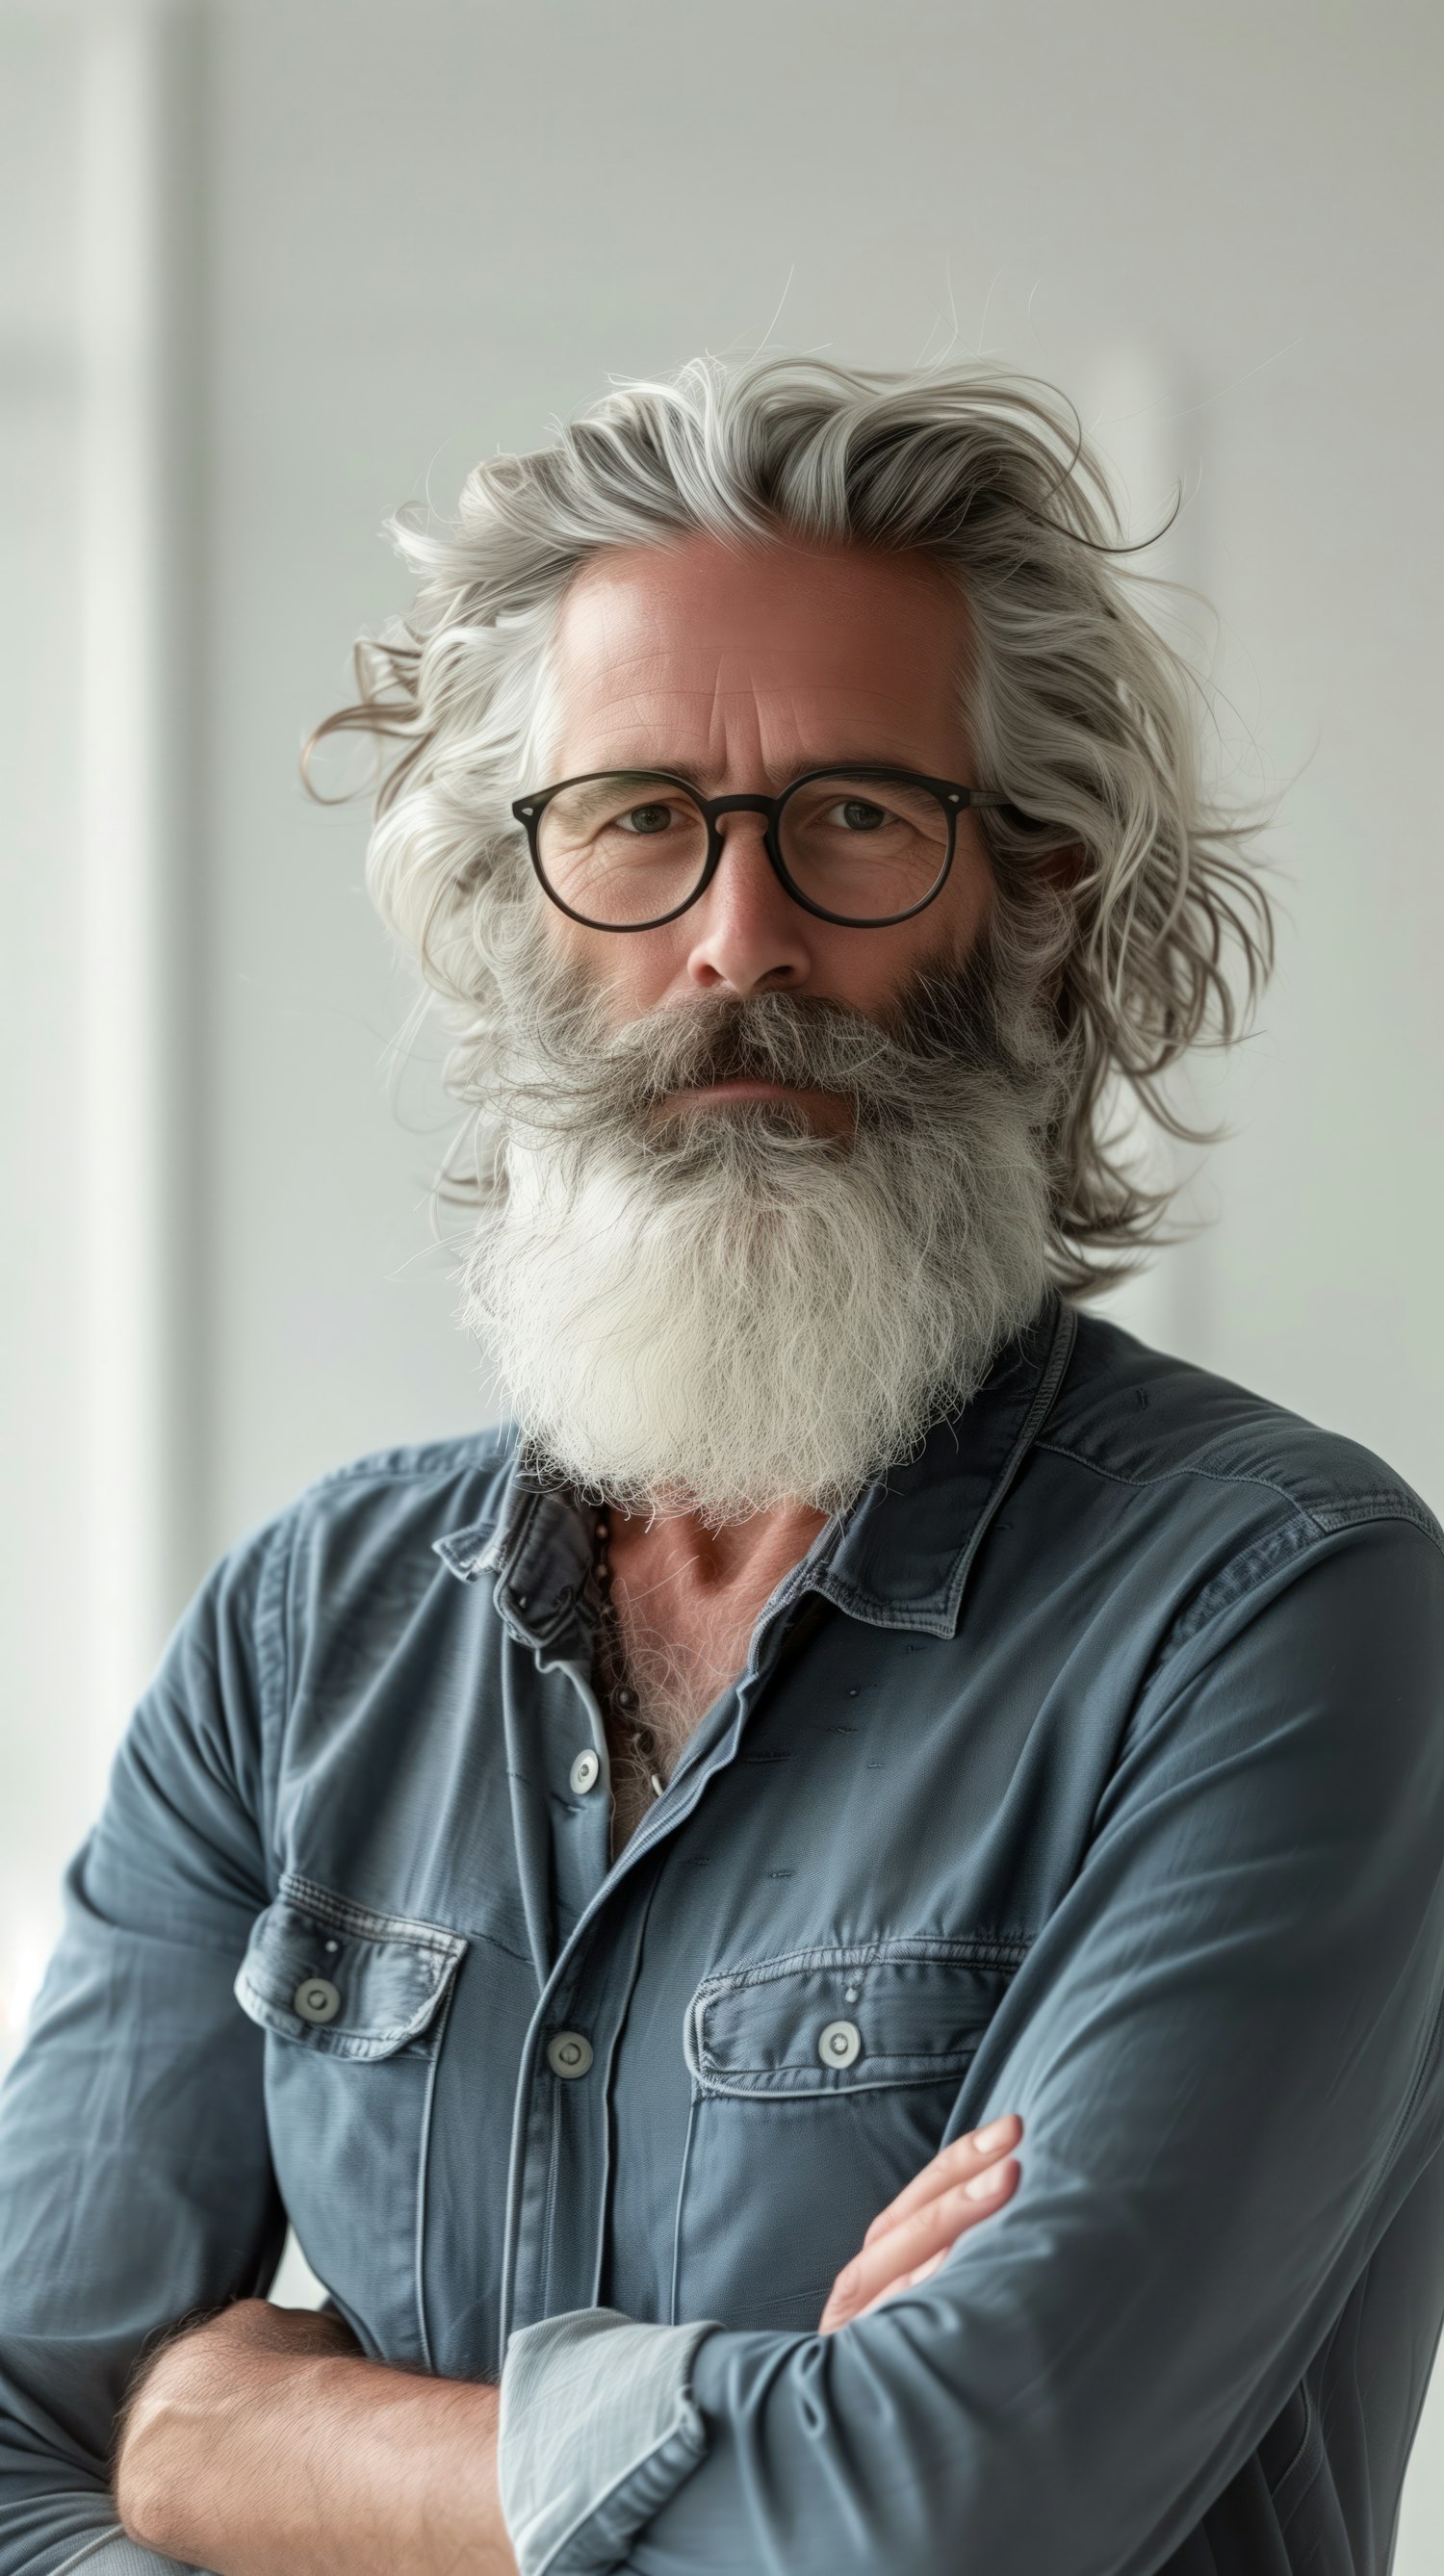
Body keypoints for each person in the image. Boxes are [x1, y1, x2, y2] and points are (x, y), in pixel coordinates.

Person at [1, 354, 1441, 2576]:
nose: (739, 940)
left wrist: (226, 2446)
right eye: (639, 817)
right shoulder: (308, 1636)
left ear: (1037, 901)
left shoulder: (1284, 1618)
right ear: (515, 902)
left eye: (859, 818)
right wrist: (755, 2436)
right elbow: (17, 2446)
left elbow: (959, 2510)